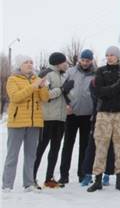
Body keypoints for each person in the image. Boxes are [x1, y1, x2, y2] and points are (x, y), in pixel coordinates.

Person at [87, 46, 120, 193]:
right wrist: (115, 87)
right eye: (107, 55)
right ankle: (98, 179)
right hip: (104, 113)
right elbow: (99, 92)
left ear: (118, 57)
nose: (110, 57)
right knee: (101, 145)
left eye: (112, 55)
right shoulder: (101, 71)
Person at [2, 55, 49, 193]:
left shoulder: (36, 79)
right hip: (17, 123)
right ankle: (7, 185)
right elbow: (15, 97)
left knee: (31, 155)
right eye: (26, 62)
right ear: (20, 65)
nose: (30, 64)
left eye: (31, 62)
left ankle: (28, 183)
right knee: (12, 155)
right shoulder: (13, 79)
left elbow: (45, 99)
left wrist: (43, 87)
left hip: (34, 123)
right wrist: (33, 87)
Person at [59, 49, 95, 184]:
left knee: (85, 146)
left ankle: (82, 173)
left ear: (91, 60)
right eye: (83, 60)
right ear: (79, 59)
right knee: (68, 145)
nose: (85, 63)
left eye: (88, 60)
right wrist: (67, 105)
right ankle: (64, 175)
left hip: (87, 115)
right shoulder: (70, 72)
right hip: (71, 114)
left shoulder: (95, 74)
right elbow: (62, 89)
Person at [34, 52, 69, 188]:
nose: (66, 64)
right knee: (40, 148)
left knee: (55, 149)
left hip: (60, 118)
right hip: (47, 118)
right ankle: (31, 177)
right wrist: (61, 89)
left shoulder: (62, 75)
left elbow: (63, 95)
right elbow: (46, 95)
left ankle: (49, 178)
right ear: (57, 62)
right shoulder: (46, 74)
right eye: (64, 62)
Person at [80, 78, 115, 187]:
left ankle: (107, 174)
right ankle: (88, 174)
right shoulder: (95, 81)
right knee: (92, 148)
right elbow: (95, 95)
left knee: (110, 148)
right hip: (98, 118)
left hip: (113, 118)